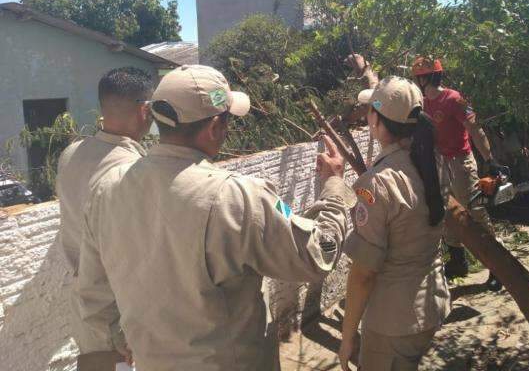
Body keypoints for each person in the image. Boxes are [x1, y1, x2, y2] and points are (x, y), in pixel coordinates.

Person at [77, 64, 356, 371]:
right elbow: (318, 255)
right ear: (213, 128)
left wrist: (124, 339)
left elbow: (94, 291)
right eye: (227, 120)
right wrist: (333, 185)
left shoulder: (105, 189)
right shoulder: (234, 196)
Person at [338, 76, 450, 371]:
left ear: (375, 119)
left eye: (369, 111)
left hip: (394, 320)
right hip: (430, 303)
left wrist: (347, 337)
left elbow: (363, 274)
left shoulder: (376, 185)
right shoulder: (434, 162)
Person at [56, 67, 154, 367]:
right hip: (116, 319)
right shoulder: (133, 172)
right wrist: (122, 331)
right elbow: (126, 257)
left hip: (84, 310)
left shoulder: (71, 153)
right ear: (145, 110)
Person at [411, 56, 503, 291]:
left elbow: (474, 128)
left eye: (422, 75)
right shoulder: (419, 102)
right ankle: (458, 261)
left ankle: (498, 268)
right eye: (417, 76)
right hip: (438, 162)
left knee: (476, 211)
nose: (420, 80)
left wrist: (489, 160)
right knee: (447, 213)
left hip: (461, 162)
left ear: (432, 76)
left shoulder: (455, 99)